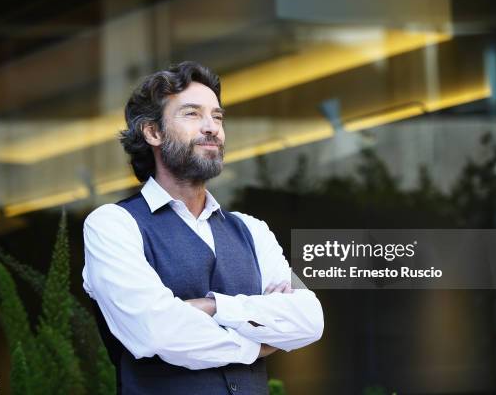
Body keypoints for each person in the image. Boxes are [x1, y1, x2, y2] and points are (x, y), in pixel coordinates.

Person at [82, 61, 324, 395]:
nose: (211, 127)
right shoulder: (113, 225)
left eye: (218, 116)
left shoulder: (252, 230)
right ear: (153, 132)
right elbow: (158, 332)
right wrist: (258, 344)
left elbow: (309, 319)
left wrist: (211, 307)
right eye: (192, 114)